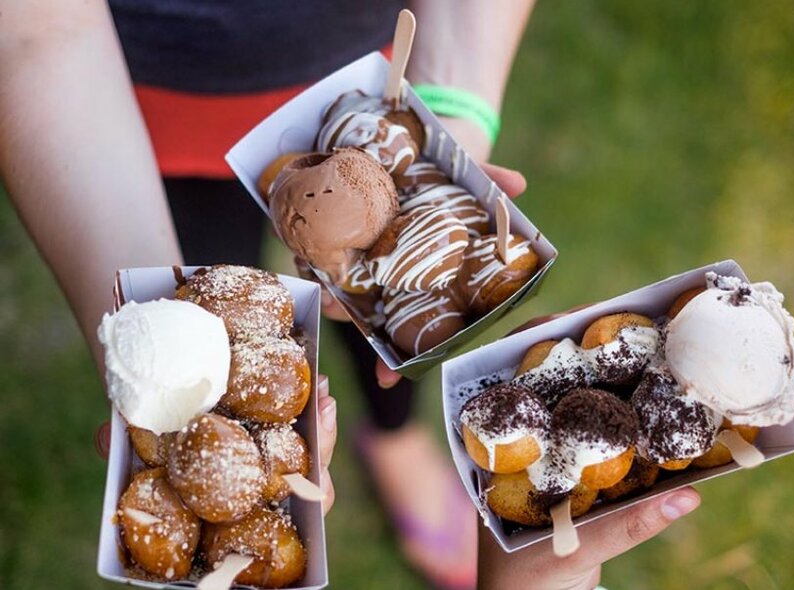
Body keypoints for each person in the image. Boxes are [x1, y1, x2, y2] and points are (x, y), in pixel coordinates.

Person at [1, 1, 701, 588]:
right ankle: (377, 430)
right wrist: (156, 357)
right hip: (131, 110)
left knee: (379, 328)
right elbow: (33, 30)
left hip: (366, 81)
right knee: (220, 281)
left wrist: (446, 120)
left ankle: (394, 438)